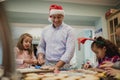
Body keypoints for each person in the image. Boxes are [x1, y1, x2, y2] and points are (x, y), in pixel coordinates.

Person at [37, 4, 75, 71]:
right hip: (47, 65)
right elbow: (41, 46)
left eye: (59, 17)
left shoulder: (69, 30)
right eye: (54, 17)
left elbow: (70, 51)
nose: (56, 20)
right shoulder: (45, 30)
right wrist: (40, 56)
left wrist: (57, 66)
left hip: (63, 66)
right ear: (50, 17)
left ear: (63, 17)